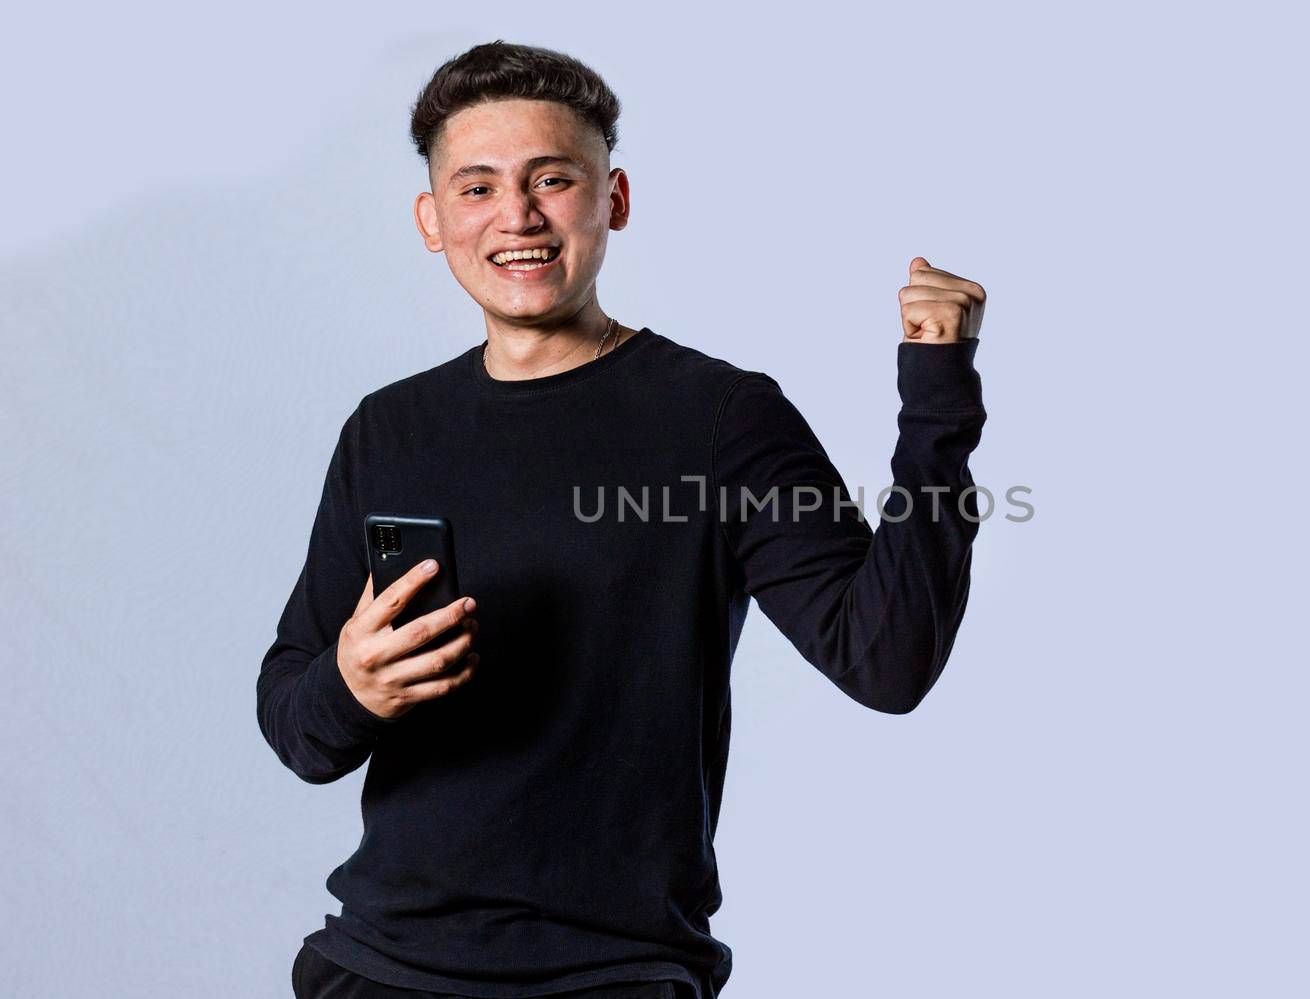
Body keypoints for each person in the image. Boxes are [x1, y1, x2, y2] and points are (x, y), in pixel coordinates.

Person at [257, 40, 989, 999]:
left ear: (615, 199)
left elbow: (886, 661)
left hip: (614, 974)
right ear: (433, 220)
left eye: (552, 179)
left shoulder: (721, 418)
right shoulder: (389, 427)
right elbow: (296, 723)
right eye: (476, 188)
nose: (516, 216)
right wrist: (352, 686)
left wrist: (937, 404)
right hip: (377, 967)